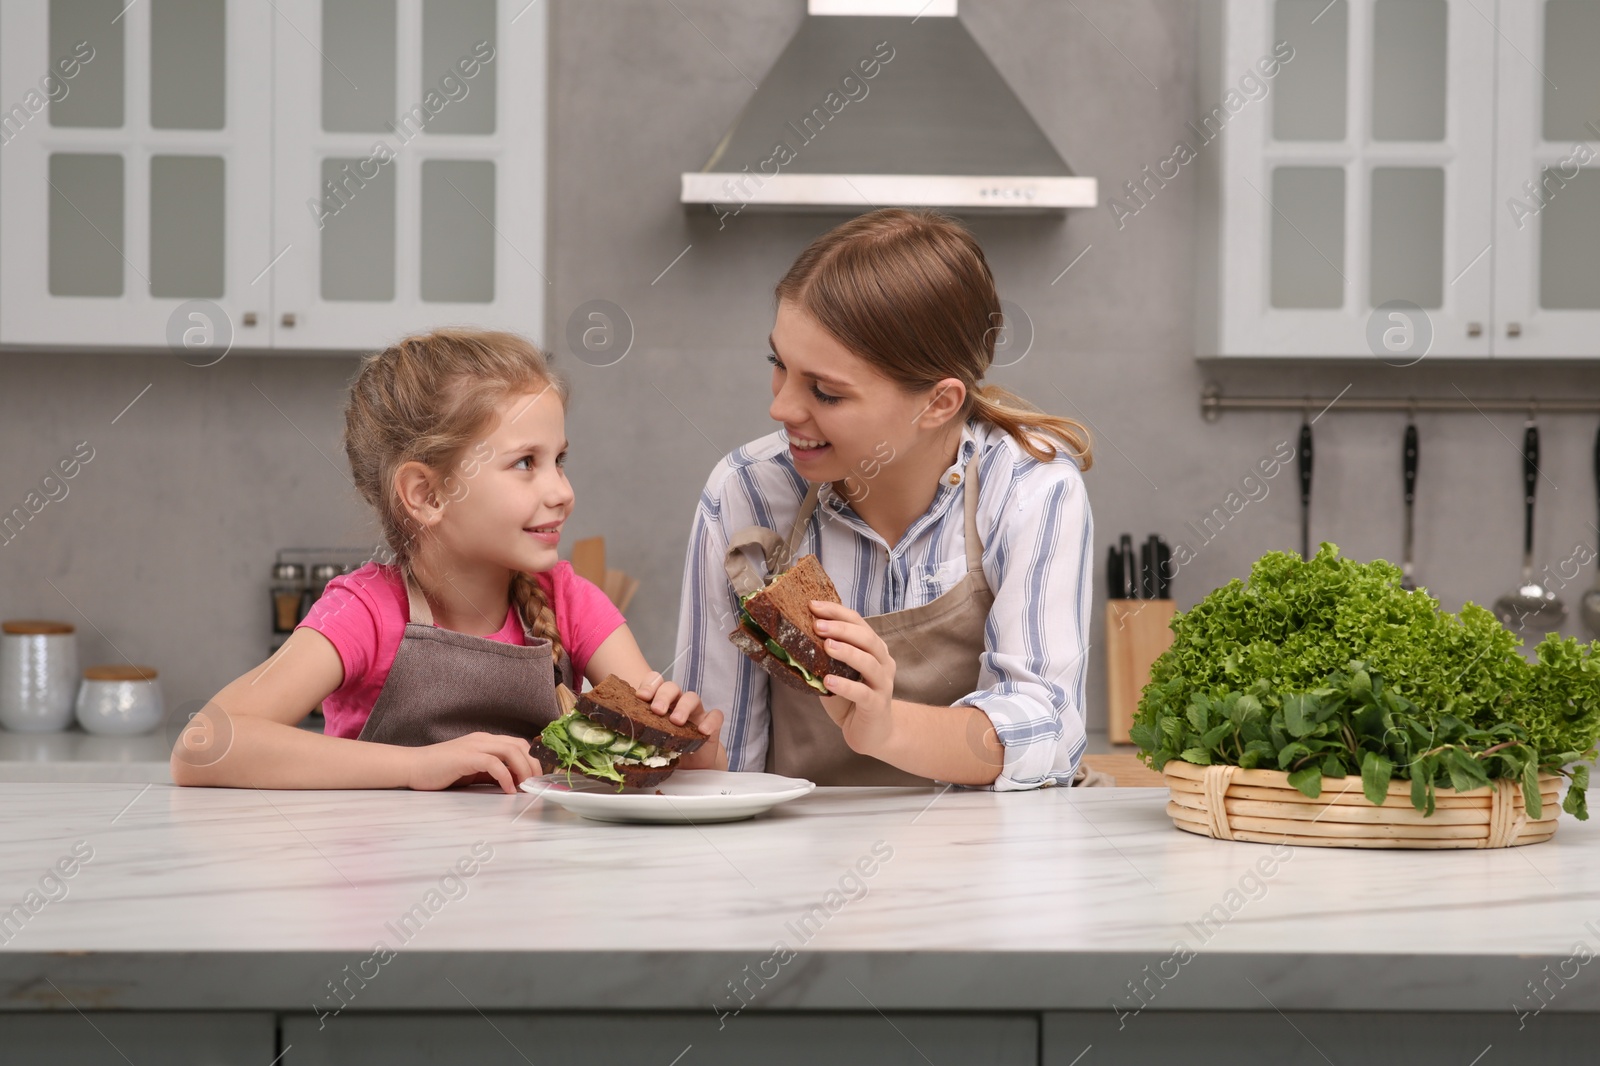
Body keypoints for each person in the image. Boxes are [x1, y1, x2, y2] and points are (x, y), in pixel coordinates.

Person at [172, 329, 724, 793]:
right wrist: (415, 767)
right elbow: (204, 745)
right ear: (427, 495)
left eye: (559, 460)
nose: (562, 491)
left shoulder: (571, 603)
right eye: (525, 463)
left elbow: (672, 765)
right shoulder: (365, 612)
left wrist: (691, 741)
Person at [673, 208, 1095, 790]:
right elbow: (728, 767)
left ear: (939, 403)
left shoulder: (1028, 487)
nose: (782, 408)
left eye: (825, 391)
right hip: (798, 860)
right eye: (779, 365)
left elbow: (1045, 730)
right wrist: (678, 741)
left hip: (984, 857)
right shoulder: (745, 491)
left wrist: (887, 727)